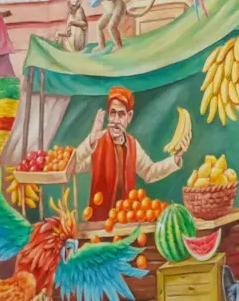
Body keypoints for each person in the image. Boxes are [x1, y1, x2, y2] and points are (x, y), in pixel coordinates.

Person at [66, 86, 183, 216]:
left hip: (125, 219)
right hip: (99, 221)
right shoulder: (96, 142)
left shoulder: (133, 144)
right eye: (113, 113)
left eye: (121, 114)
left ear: (129, 116)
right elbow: (73, 166)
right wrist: (91, 138)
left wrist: (175, 159)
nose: (116, 120)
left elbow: (149, 172)